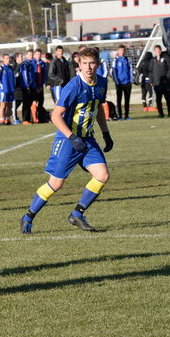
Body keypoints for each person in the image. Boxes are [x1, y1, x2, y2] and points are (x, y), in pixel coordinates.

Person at [20, 47, 114, 234]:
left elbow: (98, 109)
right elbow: (55, 116)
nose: (88, 67)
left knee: (102, 176)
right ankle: (28, 217)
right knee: (56, 184)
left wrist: (106, 133)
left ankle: (77, 214)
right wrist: (71, 137)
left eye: (92, 63)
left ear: (98, 64)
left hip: (88, 140)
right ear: (79, 64)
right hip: (68, 140)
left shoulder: (102, 82)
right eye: (85, 63)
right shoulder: (73, 86)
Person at [149, 45, 170, 118]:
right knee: (158, 99)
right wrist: (151, 81)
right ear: (154, 51)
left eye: (158, 50)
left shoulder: (166, 58)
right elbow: (150, 71)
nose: (157, 52)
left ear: (160, 50)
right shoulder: (153, 60)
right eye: (156, 50)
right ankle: (161, 114)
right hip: (157, 83)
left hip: (165, 83)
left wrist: (167, 77)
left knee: (168, 99)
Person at [111, 44, 133, 120]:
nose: (122, 52)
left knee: (127, 100)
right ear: (118, 51)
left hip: (127, 83)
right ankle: (120, 116)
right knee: (119, 100)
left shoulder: (127, 59)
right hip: (119, 83)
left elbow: (130, 70)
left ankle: (127, 115)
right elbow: (114, 71)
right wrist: (117, 81)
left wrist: (130, 81)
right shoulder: (115, 60)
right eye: (120, 50)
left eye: (123, 50)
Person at [0, 54, 15, 125]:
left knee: (9, 105)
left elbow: (13, 78)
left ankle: (8, 119)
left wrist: (13, 86)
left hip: (11, 89)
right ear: (3, 59)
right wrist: (2, 87)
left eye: (8, 58)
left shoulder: (10, 68)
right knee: (3, 105)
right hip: (4, 90)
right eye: (6, 58)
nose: (8, 60)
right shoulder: (0, 68)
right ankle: (1, 120)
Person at [31, 49, 48, 123]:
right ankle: (34, 118)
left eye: (40, 54)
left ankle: (40, 118)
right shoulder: (31, 63)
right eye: (37, 54)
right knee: (34, 101)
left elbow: (44, 74)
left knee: (41, 101)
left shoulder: (42, 63)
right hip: (34, 85)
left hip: (40, 85)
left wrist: (45, 82)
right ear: (34, 55)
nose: (38, 56)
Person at [20, 49, 36, 124]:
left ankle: (29, 119)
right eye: (30, 54)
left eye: (32, 54)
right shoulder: (25, 64)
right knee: (26, 103)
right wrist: (27, 85)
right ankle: (25, 120)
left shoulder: (31, 63)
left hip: (31, 86)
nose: (31, 56)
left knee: (29, 103)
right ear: (26, 55)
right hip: (26, 86)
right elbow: (24, 75)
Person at [11, 53, 24, 124]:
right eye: (21, 57)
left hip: (21, 87)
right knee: (15, 104)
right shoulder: (14, 66)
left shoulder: (22, 65)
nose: (22, 58)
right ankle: (14, 119)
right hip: (15, 88)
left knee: (20, 101)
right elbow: (14, 75)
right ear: (17, 58)